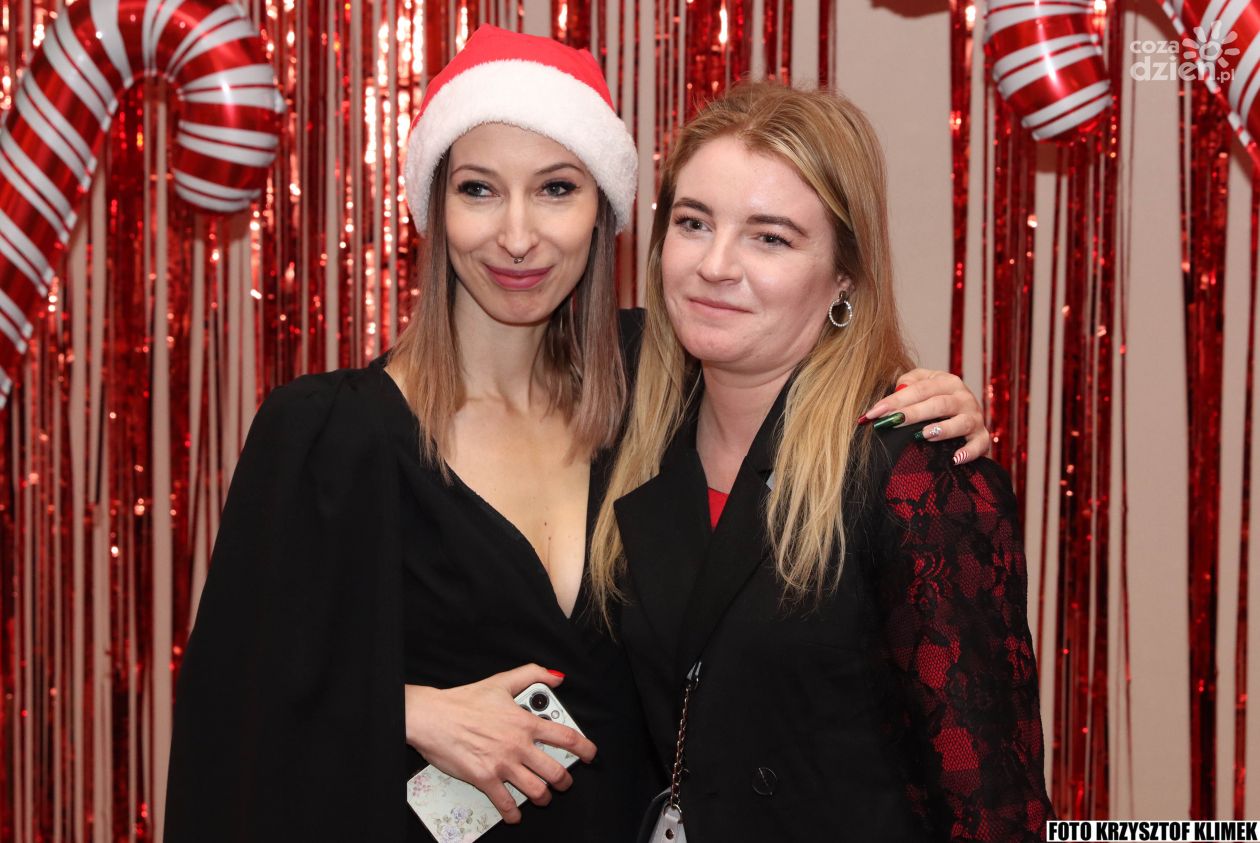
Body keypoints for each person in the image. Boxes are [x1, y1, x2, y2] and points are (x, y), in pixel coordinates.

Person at [164, 27, 992, 843]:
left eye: (557, 189)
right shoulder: (325, 436)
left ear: (605, 211)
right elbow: (231, 706)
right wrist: (404, 708)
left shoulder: (655, 391)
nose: (517, 235)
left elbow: (802, 365)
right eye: (478, 189)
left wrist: (919, 393)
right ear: (433, 207)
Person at [591, 81, 1053, 842]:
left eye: (770, 238)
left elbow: (994, 810)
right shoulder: (625, 409)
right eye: (693, 223)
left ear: (845, 274)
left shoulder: (917, 472)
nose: (715, 264)